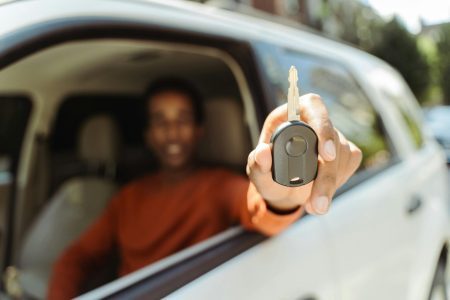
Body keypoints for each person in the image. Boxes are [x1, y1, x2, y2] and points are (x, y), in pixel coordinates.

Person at [48, 78, 362, 299]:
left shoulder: (219, 185)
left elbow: (258, 207)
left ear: (199, 131)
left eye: (182, 119)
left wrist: (281, 198)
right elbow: (75, 258)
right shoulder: (128, 197)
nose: (172, 131)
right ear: (147, 134)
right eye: (160, 120)